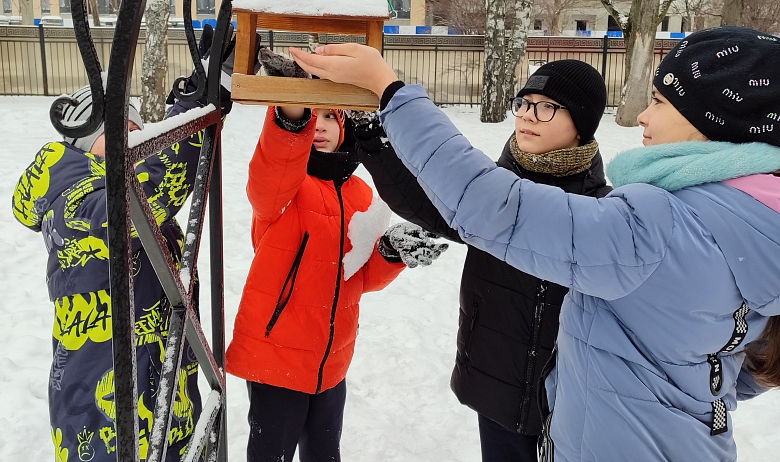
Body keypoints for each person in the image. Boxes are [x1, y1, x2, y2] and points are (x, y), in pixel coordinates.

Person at [289, 26, 780, 462]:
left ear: (710, 122)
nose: (643, 118)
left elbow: (484, 205)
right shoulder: (750, 221)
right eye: (524, 103)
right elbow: (748, 363)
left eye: (660, 102)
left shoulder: (651, 223)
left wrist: (391, 91)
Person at [350, 60, 611, 461]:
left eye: (545, 106)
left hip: (573, 403)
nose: (526, 115)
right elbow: (421, 198)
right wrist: (372, 139)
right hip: (495, 387)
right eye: (523, 103)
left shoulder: (604, 211)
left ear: (582, 122)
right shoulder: (487, 195)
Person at [10, 27, 244, 462]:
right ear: (83, 139)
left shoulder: (108, 180)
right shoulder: (73, 197)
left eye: (135, 129)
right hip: (103, 412)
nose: (131, 138)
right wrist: (204, 100)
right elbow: (142, 199)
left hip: (160, 387)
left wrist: (198, 95)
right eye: (117, 129)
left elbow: (151, 180)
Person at [225, 50, 448, 462]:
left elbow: (359, 277)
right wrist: (293, 111)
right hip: (278, 359)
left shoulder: (361, 194)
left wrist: (390, 251)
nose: (320, 125)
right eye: (314, 114)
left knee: (325, 455)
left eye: (330, 116)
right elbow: (271, 172)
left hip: (332, 362)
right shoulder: (285, 189)